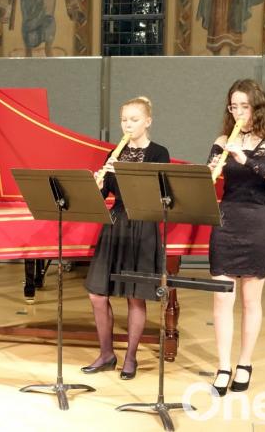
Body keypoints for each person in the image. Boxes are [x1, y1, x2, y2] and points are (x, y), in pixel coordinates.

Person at [206, 79, 265, 396]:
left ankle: (244, 362)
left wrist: (247, 160)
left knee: (250, 300)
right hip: (226, 220)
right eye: (233, 106)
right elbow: (208, 176)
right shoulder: (223, 139)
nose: (238, 111)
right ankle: (224, 365)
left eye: (244, 105)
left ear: (257, 105)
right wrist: (213, 165)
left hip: (257, 222)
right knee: (221, 299)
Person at [81, 96, 170, 380]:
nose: (128, 125)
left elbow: (161, 194)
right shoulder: (113, 154)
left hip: (143, 226)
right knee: (97, 294)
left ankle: (130, 357)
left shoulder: (159, 153)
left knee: (135, 297)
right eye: (124, 120)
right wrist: (98, 181)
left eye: (134, 119)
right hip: (116, 223)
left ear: (148, 121)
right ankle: (106, 354)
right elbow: (104, 196)